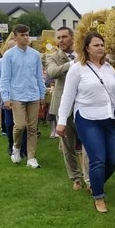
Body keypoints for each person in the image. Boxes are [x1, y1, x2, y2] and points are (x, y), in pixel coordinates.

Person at [56, 32, 115, 213]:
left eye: (102, 45)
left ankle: (96, 183)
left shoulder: (109, 69)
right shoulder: (77, 69)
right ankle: (99, 196)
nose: (100, 48)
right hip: (87, 118)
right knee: (98, 159)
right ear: (87, 48)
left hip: (110, 118)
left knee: (113, 160)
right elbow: (67, 96)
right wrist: (62, 120)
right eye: (96, 45)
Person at [0, 24, 46, 169]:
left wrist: (42, 94)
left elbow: (39, 76)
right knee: (19, 126)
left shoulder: (35, 55)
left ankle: (31, 157)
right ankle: (16, 147)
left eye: (27, 34)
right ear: (15, 37)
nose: (26, 37)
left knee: (32, 128)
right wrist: (6, 97)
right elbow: (5, 78)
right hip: (17, 95)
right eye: (22, 35)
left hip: (33, 94)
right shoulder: (9, 55)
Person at [45, 27, 86, 191]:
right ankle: (75, 178)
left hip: (83, 105)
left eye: (64, 37)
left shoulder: (83, 54)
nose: (61, 40)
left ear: (72, 38)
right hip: (63, 106)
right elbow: (52, 72)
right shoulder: (53, 56)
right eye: (59, 37)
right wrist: (72, 63)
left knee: (87, 144)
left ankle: (89, 177)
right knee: (68, 147)